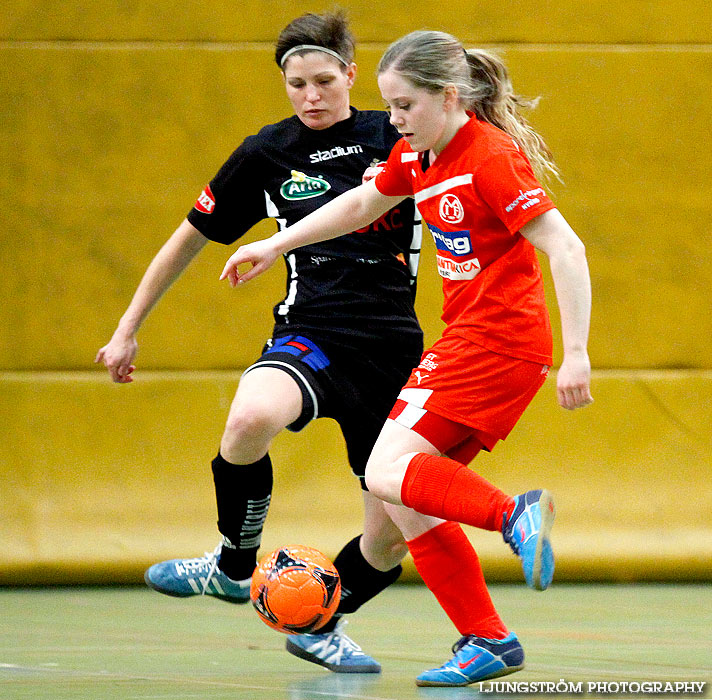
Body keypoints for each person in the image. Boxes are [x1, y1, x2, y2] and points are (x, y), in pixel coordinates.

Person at [220, 30, 593, 687]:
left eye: (403, 106)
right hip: (470, 339)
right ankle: (486, 639)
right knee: (404, 497)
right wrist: (279, 245)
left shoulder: (489, 156)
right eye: (388, 106)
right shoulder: (419, 155)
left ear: (449, 98)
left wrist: (578, 353)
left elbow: (566, 248)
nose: (391, 120)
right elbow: (364, 202)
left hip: (496, 342)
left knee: (387, 470)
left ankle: (515, 515)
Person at [95, 12, 446, 674]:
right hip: (310, 332)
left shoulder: (394, 133)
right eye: (295, 85)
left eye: (323, 81)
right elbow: (189, 238)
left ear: (350, 73)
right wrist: (127, 328)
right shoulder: (267, 152)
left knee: (393, 534)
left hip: (394, 350)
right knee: (252, 415)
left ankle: (320, 623)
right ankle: (232, 564)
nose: (311, 97)